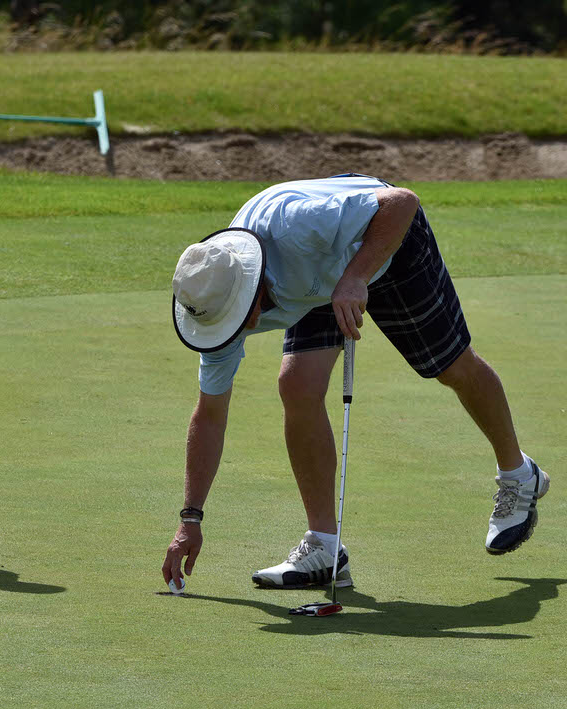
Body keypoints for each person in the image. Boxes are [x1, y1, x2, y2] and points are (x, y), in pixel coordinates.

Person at [162, 173, 549, 590]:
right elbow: (210, 416)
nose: (248, 324)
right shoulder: (213, 311)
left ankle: (518, 473)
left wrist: (355, 276)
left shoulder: (295, 226)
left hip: (380, 238)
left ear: (251, 279)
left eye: (244, 309)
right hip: (313, 279)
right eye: (233, 320)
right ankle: (324, 546)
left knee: (452, 367)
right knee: (297, 386)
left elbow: (401, 202)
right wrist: (190, 519)